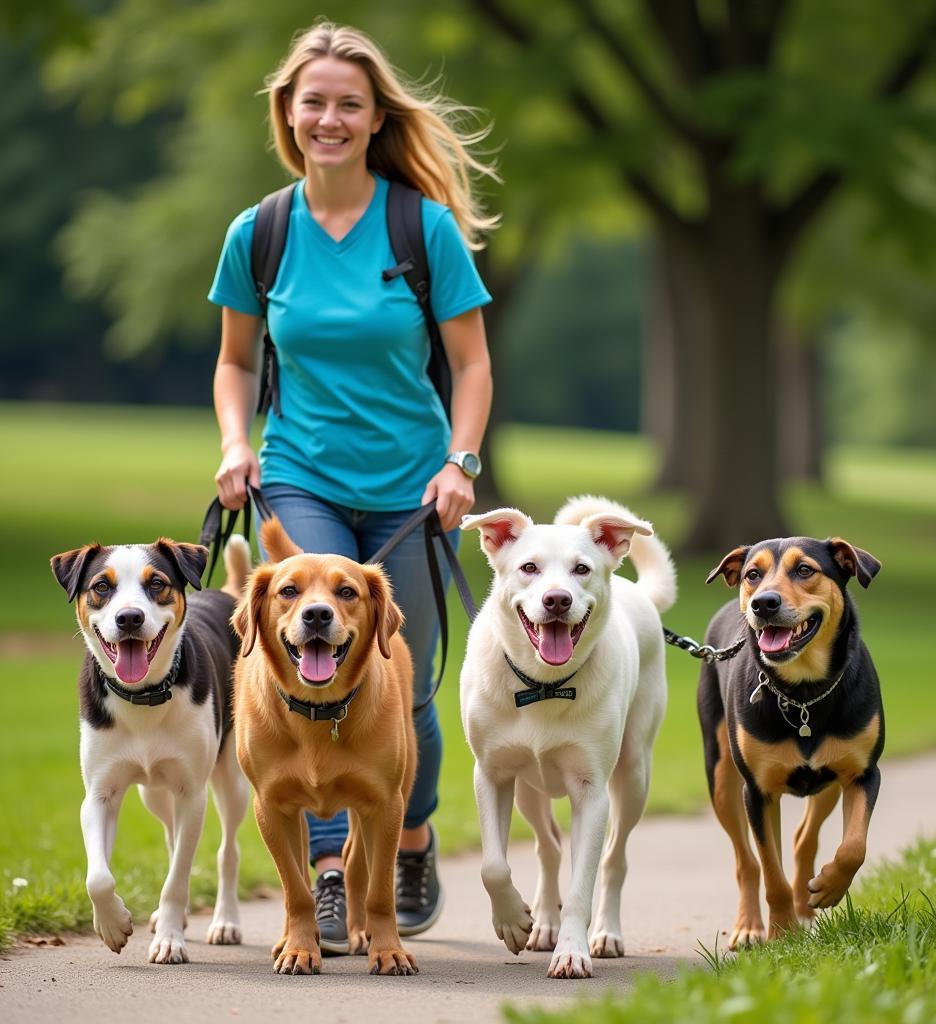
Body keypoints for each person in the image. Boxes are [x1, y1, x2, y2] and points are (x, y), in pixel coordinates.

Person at [208, 21, 496, 953]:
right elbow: (235, 363)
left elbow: (472, 363)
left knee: (396, 685)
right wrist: (233, 444)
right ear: (287, 115)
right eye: (313, 102)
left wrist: (460, 463)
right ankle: (328, 878)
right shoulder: (261, 234)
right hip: (300, 472)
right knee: (294, 663)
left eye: (349, 104)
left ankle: (408, 841)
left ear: (376, 120)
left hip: (414, 491)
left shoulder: (421, 226)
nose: (329, 118)